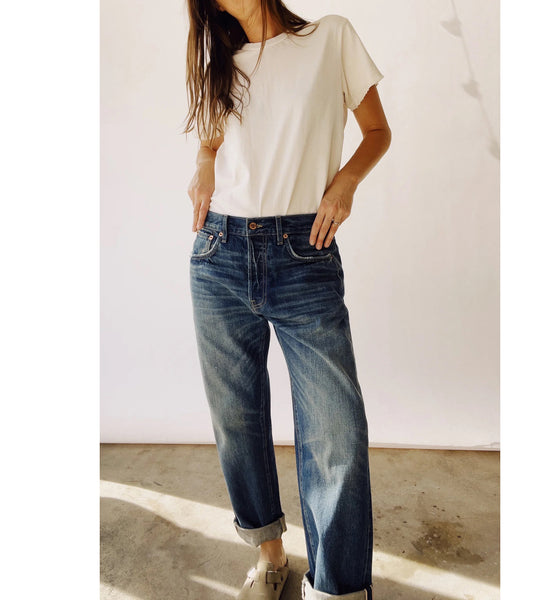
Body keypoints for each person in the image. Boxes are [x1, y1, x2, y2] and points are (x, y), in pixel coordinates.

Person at [184, 1, 391, 598]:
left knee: (335, 431)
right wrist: (203, 163)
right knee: (237, 418)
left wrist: (345, 182)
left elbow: (377, 131)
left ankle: (337, 589)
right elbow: (212, 141)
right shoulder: (220, 60)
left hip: (304, 251)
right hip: (219, 251)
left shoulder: (331, 38)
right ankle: (269, 553)